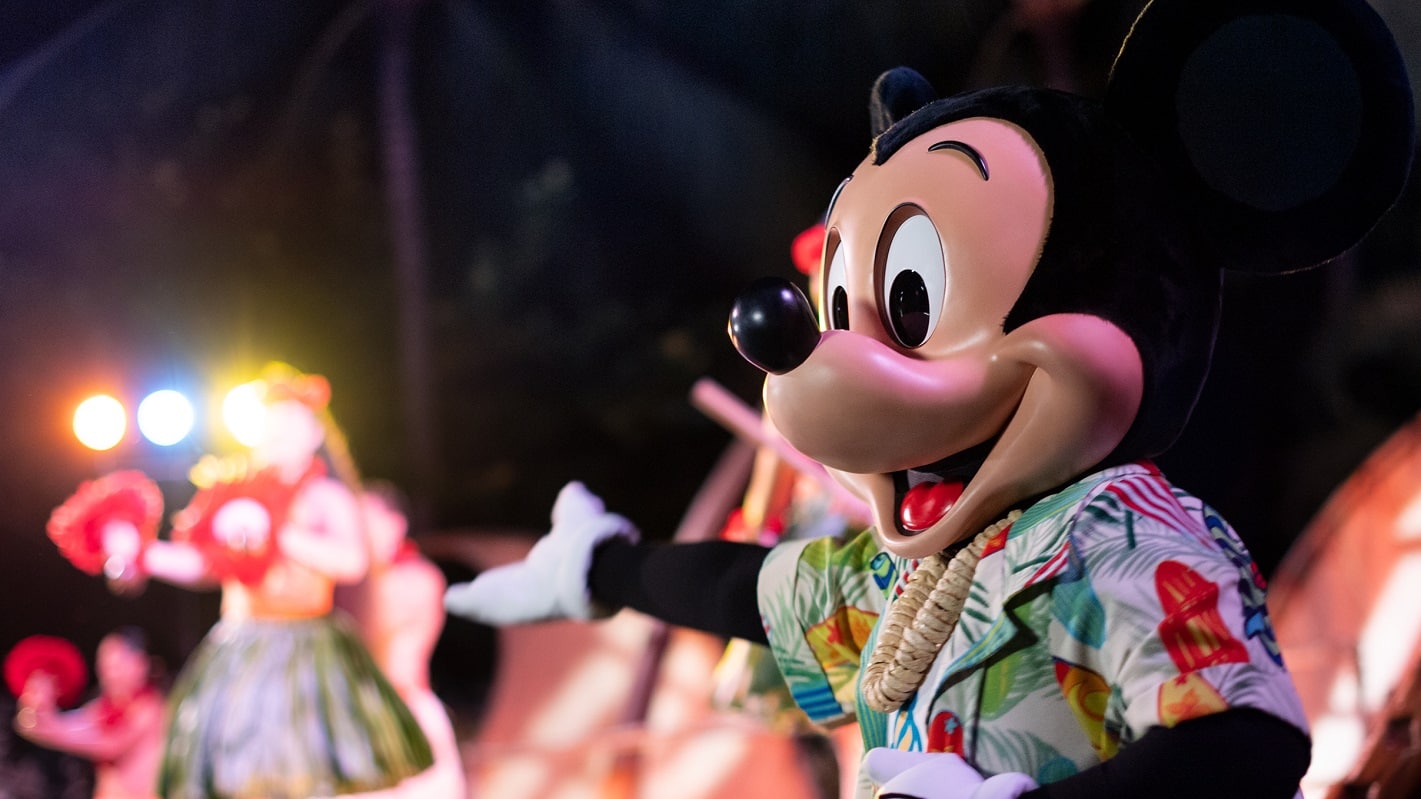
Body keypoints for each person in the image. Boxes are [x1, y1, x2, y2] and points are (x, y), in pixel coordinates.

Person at [51, 363, 432, 798]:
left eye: (290, 425)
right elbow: (204, 566)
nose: (277, 435)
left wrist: (279, 533)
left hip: (307, 647)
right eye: (269, 427)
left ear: (314, 435)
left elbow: (351, 562)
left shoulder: (325, 497)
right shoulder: (231, 497)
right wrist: (142, 551)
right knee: (242, 765)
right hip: (241, 644)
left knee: (306, 762)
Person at [335, 483, 467, 799]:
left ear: (396, 524)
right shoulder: (347, 588)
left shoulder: (420, 578)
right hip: (355, 716)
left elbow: (380, 631)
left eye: (367, 520)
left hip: (406, 711)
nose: (359, 531)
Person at [11, 629, 165, 799]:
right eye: (104, 665)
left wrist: (50, 727)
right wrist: (37, 704)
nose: (109, 674)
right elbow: (64, 726)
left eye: (117, 666)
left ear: (140, 664)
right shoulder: (101, 708)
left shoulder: (149, 708)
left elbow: (108, 746)